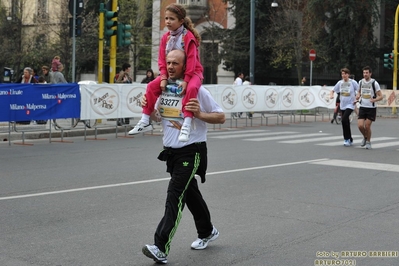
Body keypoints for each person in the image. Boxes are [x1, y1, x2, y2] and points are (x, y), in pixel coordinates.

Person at [141, 50, 225, 264]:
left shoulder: (198, 91)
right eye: (168, 62)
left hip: (191, 149)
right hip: (172, 152)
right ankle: (207, 231)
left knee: (175, 195)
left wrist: (199, 114)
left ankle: (160, 246)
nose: (170, 67)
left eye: (175, 63)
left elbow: (221, 116)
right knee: (190, 194)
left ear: (185, 66)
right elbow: (158, 118)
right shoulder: (165, 90)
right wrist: (147, 107)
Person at [129, 3, 204, 143]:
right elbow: (161, 60)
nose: (168, 22)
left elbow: (193, 62)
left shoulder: (188, 38)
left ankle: (186, 124)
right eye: (166, 18)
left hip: (192, 73)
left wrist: (186, 80)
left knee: (192, 88)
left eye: (172, 19)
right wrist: (163, 77)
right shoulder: (165, 38)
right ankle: (145, 121)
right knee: (151, 86)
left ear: (181, 21)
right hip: (171, 74)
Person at [330, 68, 359, 146]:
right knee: (346, 122)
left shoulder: (353, 82)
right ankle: (350, 138)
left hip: (350, 104)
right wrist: (331, 95)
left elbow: (359, 90)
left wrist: (357, 97)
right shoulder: (340, 83)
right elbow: (333, 90)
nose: (344, 75)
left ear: (348, 75)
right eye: (342, 74)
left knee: (344, 119)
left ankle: (346, 139)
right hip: (343, 104)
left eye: (345, 74)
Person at [356, 66, 383, 149]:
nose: (365, 74)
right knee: (360, 126)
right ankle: (365, 137)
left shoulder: (374, 83)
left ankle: (368, 142)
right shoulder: (360, 82)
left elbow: (381, 96)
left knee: (367, 126)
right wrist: (357, 96)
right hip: (362, 106)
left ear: (370, 73)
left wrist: (374, 100)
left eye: (367, 73)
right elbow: (359, 92)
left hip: (371, 108)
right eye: (364, 73)